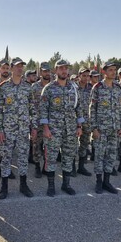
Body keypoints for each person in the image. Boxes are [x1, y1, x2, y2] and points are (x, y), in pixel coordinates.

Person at [40, 59, 84, 197]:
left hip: (70, 130)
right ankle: (51, 186)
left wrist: (79, 125)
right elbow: (43, 110)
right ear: (56, 71)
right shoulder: (48, 89)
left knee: (68, 157)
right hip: (53, 130)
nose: (64, 71)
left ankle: (66, 184)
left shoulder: (74, 88)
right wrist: (46, 128)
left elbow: (79, 108)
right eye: (61, 68)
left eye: (66, 68)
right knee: (51, 158)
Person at [0, 57, 37, 199]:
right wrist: (0, 130)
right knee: (6, 157)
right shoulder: (3, 87)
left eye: (22, 66)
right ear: (12, 68)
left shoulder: (28, 87)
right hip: (8, 129)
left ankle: (23, 185)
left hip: (23, 129)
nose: (20, 69)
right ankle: (4, 186)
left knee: (23, 157)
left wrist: (34, 127)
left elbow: (32, 108)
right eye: (18, 66)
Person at [89, 62, 121, 194]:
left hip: (114, 129)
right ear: (104, 72)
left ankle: (107, 182)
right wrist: (94, 128)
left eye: (114, 70)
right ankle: (98, 182)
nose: (113, 72)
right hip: (101, 129)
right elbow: (92, 109)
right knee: (99, 155)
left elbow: (119, 108)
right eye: (110, 70)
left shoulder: (117, 87)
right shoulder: (97, 87)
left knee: (111, 155)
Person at [0, 59, 15, 180]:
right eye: (3, 68)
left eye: (7, 68)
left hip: (11, 123)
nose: (5, 70)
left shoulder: (13, 85)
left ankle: (8, 170)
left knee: (9, 148)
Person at [31, 62, 51, 177]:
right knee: (36, 145)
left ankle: (46, 166)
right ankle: (37, 166)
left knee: (49, 145)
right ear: (40, 72)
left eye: (48, 71)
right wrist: (32, 123)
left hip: (51, 122)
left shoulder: (53, 86)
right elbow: (32, 106)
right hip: (37, 121)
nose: (47, 73)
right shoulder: (35, 87)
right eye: (44, 71)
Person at [75, 67, 92, 176]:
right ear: (79, 75)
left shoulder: (91, 88)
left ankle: (81, 167)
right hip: (74, 120)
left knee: (84, 143)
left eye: (87, 76)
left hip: (87, 120)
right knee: (72, 144)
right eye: (84, 75)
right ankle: (71, 166)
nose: (86, 78)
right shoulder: (73, 88)